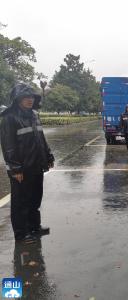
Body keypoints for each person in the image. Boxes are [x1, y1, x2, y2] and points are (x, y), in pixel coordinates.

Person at [0, 83, 54, 243]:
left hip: (36, 165)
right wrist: (15, 169)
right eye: (25, 97)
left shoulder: (34, 115)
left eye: (31, 97)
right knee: (20, 203)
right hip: (21, 169)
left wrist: (48, 156)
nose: (29, 100)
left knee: (35, 199)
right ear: (17, 99)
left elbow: (41, 138)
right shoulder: (9, 118)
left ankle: (34, 227)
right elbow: (8, 146)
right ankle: (21, 234)